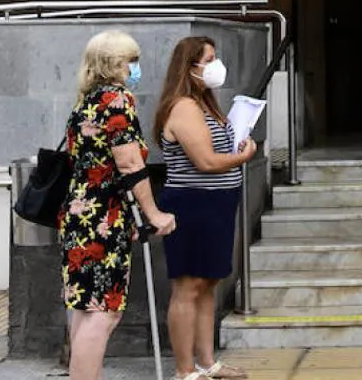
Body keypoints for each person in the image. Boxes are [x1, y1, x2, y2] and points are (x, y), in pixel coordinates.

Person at [59, 31, 176, 380]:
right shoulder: (116, 99)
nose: (136, 68)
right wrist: (154, 213)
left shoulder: (86, 102)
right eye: (132, 60)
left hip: (80, 214)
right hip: (102, 217)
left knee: (86, 308)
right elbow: (128, 164)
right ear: (115, 64)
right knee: (104, 312)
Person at [155, 37, 257, 380]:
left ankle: (208, 361)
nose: (216, 66)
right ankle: (185, 369)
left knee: (209, 282)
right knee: (188, 285)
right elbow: (206, 161)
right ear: (190, 67)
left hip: (216, 203)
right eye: (209, 59)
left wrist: (238, 140)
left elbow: (217, 150)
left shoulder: (205, 103)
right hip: (192, 204)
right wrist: (242, 157)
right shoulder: (183, 106)